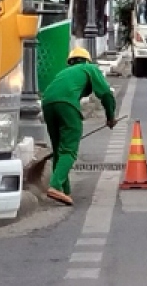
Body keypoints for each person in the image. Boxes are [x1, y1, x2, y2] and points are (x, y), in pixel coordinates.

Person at [41, 47, 117, 205]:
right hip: (67, 105)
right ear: (87, 60)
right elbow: (106, 94)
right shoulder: (89, 68)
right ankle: (55, 185)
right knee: (69, 148)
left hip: (47, 103)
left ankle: (64, 190)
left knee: (59, 149)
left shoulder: (64, 73)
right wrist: (110, 117)